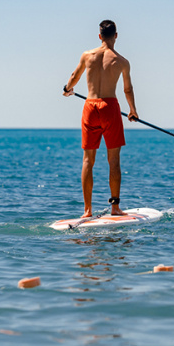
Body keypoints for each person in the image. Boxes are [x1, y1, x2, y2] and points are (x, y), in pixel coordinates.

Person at [63, 20, 138, 217]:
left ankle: (87, 210)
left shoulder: (87, 55)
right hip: (109, 108)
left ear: (99, 36)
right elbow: (127, 89)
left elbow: (74, 76)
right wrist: (133, 110)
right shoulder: (122, 61)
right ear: (116, 36)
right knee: (113, 160)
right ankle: (115, 207)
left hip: (90, 106)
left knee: (88, 160)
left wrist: (67, 89)